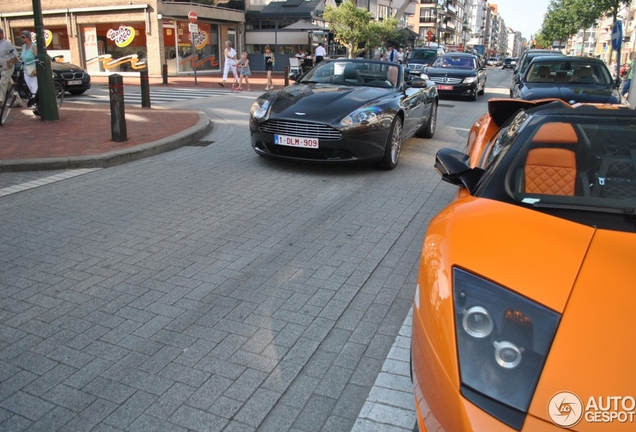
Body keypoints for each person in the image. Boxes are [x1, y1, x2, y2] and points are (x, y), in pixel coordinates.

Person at [0, 27, 22, 108]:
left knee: (2, 82)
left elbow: (16, 55)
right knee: (10, 85)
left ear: (1, 34)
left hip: (7, 66)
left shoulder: (7, 43)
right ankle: (17, 101)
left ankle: (1, 100)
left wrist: (11, 61)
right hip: (1, 67)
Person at [19, 30, 38, 106]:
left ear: (28, 38)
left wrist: (36, 69)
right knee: (29, 86)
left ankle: (35, 103)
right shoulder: (23, 46)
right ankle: (34, 101)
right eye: (21, 37)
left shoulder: (34, 46)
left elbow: (37, 58)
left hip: (33, 68)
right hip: (25, 69)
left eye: (23, 37)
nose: (22, 39)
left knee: (34, 86)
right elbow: (22, 57)